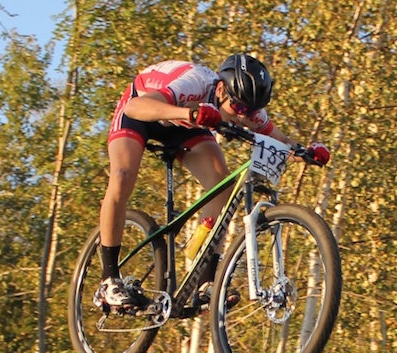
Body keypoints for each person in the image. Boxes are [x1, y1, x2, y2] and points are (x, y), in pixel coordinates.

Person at [96, 53, 330, 309]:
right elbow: (135, 108)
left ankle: (206, 280)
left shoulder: (246, 108)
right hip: (145, 111)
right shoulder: (195, 82)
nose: (242, 118)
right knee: (121, 177)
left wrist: (305, 153)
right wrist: (190, 112)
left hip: (187, 123)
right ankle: (109, 280)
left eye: (250, 112)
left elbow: (279, 142)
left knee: (223, 186)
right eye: (238, 109)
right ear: (220, 89)